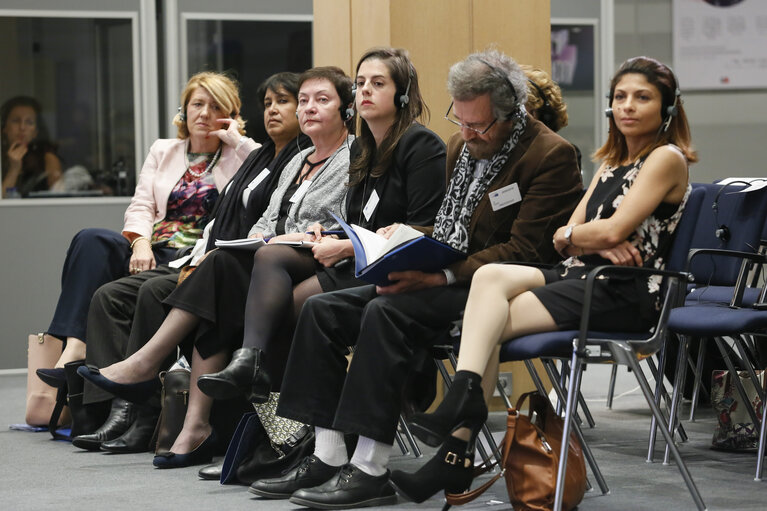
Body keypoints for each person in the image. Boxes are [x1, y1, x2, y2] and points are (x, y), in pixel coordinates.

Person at [250, 49, 583, 510]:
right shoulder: (458, 146)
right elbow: (450, 227)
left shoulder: (551, 155)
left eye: (478, 126)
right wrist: (406, 238)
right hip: (450, 271)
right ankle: (326, 456)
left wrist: (440, 272)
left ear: (512, 114)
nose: (466, 134)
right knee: (322, 309)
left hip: (505, 285)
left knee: (385, 311)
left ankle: (369, 468)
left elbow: (526, 251)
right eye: (460, 121)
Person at [390, 56, 697, 503]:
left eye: (642, 97)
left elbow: (604, 231)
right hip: (579, 276)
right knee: (490, 284)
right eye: (620, 97)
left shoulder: (665, 159)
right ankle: (461, 422)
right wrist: (583, 237)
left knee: (484, 320)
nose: (628, 106)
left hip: (624, 290)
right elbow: (561, 237)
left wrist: (587, 236)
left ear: (668, 109)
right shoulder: (614, 161)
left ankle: (455, 440)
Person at [79, 66, 356, 468]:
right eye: (305, 100)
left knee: (214, 272)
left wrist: (273, 239)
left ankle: (158, 381)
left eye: (320, 100)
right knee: (212, 273)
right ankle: (191, 422)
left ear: (345, 109)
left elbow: (337, 224)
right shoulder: (300, 160)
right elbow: (265, 219)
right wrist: (261, 239)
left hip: (308, 262)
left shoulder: (353, 157)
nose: (307, 108)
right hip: (265, 259)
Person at [196, 47, 446, 408]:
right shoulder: (368, 151)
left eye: (378, 83)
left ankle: (292, 426)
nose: (365, 91)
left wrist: (343, 245)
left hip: (395, 269)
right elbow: (360, 223)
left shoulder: (419, 143)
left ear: (402, 93)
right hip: (359, 259)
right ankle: (273, 413)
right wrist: (330, 236)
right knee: (269, 268)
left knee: (291, 307)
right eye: (360, 83)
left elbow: (424, 227)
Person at [33, 72, 259, 380]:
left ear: (230, 116)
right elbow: (142, 205)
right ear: (184, 110)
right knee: (90, 240)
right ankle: (75, 346)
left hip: (193, 256)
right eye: (197, 104)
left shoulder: (240, 156)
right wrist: (139, 242)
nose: (205, 113)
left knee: (123, 289)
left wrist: (237, 140)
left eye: (217, 107)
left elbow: (267, 175)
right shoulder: (164, 150)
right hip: (151, 247)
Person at [1, 96, 62, 197]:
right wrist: (14, 169)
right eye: (16, 120)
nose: (22, 127)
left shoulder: (47, 158)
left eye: (29, 122)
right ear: (4, 128)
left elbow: (59, 200)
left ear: (35, 132)